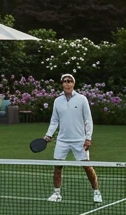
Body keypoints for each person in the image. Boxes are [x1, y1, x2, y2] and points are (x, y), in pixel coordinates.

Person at [44, 72, 102, 204]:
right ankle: (57, 193)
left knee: (87, 167)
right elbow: (54, 121)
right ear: (62, 84)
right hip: (62, 140)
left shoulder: (82, 99)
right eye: (65, 81)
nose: (67, 83)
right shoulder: (57, 101)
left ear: (73, 83)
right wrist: (49, 135)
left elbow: (88, 120)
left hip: (79, 140)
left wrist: (88, 138)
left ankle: (96, 192)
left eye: (70, 81)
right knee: (57, 167)